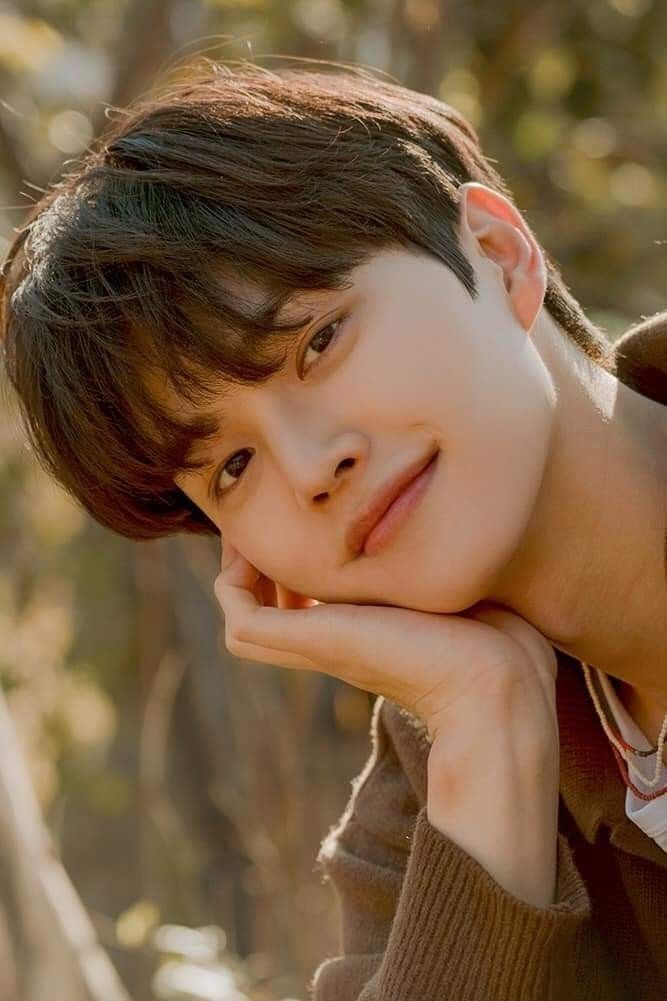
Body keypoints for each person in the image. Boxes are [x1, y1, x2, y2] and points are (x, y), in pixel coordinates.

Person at [1, 62, 665, 999]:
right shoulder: (431, 793)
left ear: (495, 249)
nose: (311, 469)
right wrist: (489, 728)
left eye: (319, 340)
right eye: (231, 467)